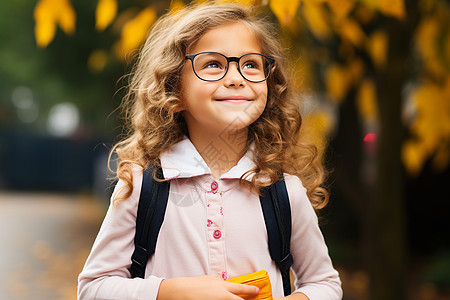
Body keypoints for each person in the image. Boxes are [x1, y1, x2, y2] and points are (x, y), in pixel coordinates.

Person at [78, 2, 342, 300]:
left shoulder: (284, 192)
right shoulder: (141, 187)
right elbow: (93, 288)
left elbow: (325, 284)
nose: (236, 77)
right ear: (173, 90)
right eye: (213, 64)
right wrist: (173, 292)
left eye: (251, 64)